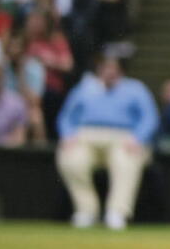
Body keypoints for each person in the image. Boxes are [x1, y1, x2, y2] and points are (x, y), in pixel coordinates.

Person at [55, 55, 159, 229]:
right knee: (70, 159)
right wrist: (67, 135)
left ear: (121, 70)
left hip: (124, 138)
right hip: (85, 137)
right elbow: (66, 116)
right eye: (106, 67)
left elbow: (150, 118)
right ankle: (86, 211)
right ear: (99, 69)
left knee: (126, 161)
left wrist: (138, 138)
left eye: (113, 67)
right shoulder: (84, 88)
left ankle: (117, 212)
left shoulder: (136, 89)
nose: (109, 71)